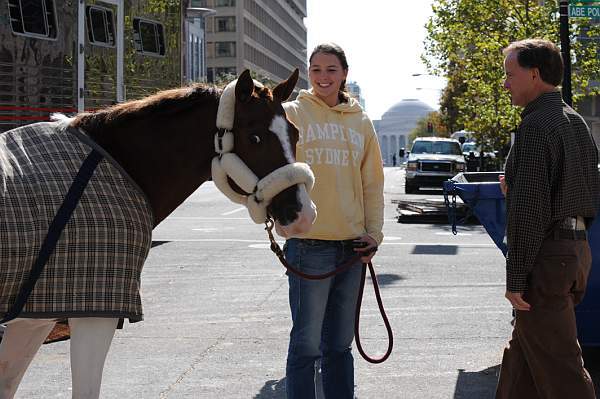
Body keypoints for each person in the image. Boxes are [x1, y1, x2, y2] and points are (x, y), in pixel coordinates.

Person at [496, 38, 600, 398]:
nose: (506, 83)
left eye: (510, 74)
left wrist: (516, 276)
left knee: (562, 369)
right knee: (521, 364)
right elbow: (588, 194)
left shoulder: (537, 126)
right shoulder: (575, 121)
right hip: (574, 252)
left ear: (534, 74)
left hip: (547, 259)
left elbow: (529, 210)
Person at [281, 42, 384, 399]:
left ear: (344, 74)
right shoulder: (290, 114)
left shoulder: (361, 121)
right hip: (308, 245)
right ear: (308, 73)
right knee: (306, 344)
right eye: (316, 69)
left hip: (353, 247)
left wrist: (374, 235)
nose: (323, 77)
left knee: (340, 346)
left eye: (331, 70)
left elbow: (372, 184)